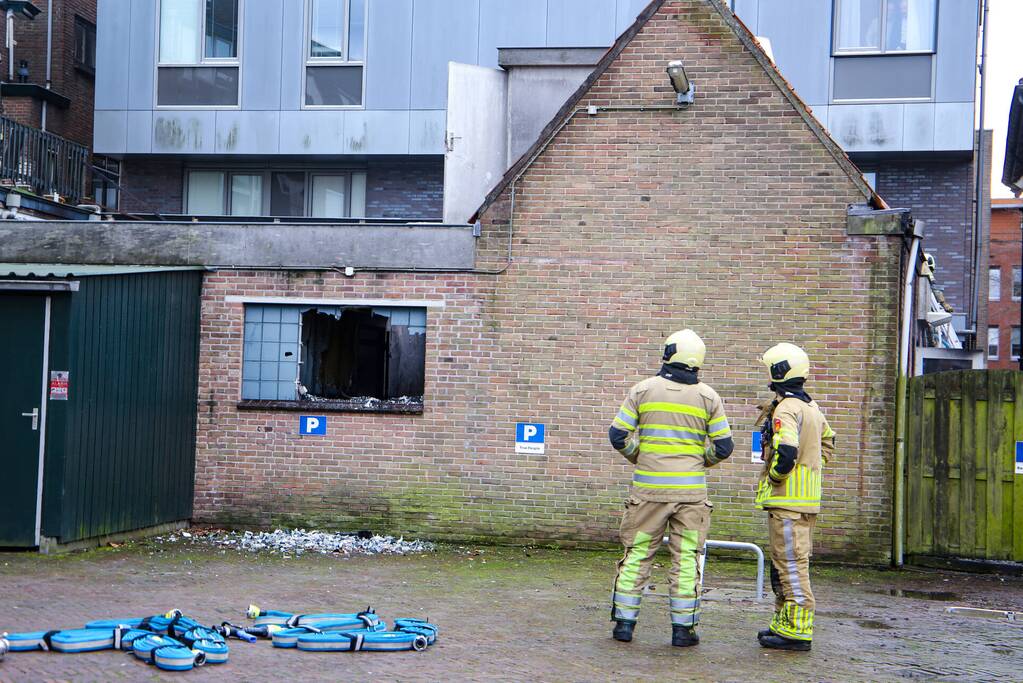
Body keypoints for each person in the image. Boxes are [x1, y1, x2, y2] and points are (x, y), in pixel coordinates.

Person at [607, 329, 734, 647]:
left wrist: (641, 457)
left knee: (637, 554)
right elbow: (724, 446)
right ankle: (682, 630)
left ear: (668, 354)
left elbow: (617, 435)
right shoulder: (708, 397)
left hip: (648, 492)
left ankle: (624, 625)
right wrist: (700, 463)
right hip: (690, 495)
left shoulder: (643, 390)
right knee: (687, 558)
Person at [754, 343, 835, 651]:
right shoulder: (812, 408)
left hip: (787, 502)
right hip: (804, 501)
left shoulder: (788, 408)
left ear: (778, 372)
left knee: (790, 565)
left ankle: (798, 630)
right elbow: (828, 442)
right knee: (785, 564)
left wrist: (776, 476)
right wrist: (811, 468)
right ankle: (784, 624)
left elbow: (786, 452)